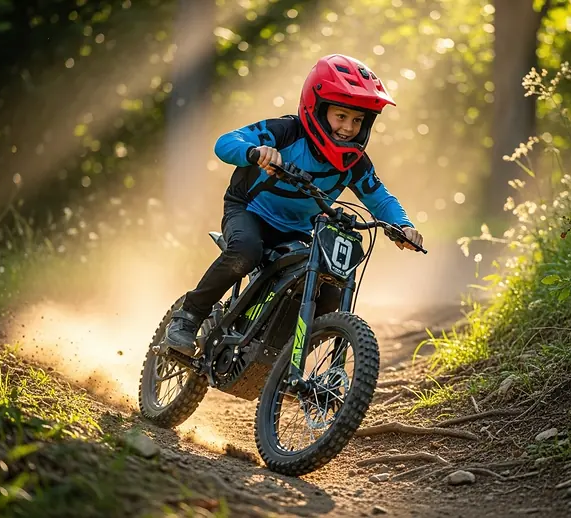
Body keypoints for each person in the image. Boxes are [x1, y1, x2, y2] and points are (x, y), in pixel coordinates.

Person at [163, 54, 424, 356]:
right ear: (317, 108)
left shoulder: (355, 163)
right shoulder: (286, 131)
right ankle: (188, 317)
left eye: (357, 120)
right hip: (249, 211)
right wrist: (255, 151)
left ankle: (285, 363)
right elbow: (225, 142)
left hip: (297, 231)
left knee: (331, 292)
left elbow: (380, 198)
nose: (348, 128)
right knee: (245, 251)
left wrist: (403, 226)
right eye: (341, 116)